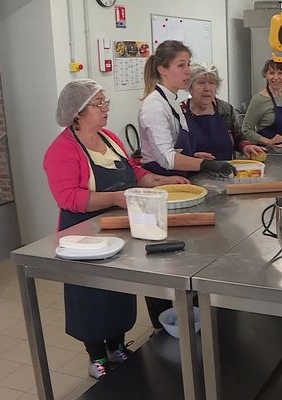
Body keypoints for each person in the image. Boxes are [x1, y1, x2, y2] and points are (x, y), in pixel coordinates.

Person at [43, 79, 189, 379]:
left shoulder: (109, 137)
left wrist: (164, 181)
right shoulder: (62, 150)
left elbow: (133, 173)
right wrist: (116, 198)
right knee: (92, 297)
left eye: (105, 102)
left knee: (119, 292)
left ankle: (118, 346)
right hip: (82, 236)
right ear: (78, 114)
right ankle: (96, 356)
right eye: (99, 104)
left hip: (120, 229)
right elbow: (68, 197)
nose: (106, 108)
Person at [138, 40, 235, 176]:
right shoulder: (154, 106)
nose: (188, 71)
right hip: (164, 181)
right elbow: (167, 158)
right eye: (181, 65)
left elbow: (176, 146)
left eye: (188, 64)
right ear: (162, 69)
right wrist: (205, 164)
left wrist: (193, 156)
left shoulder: (172, 102)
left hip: (181, 176)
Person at [180, 61, 265, 161]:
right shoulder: (180, 112)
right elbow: (171, 152)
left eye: (211, 83)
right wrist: (191, 157)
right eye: (201, 83)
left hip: (226, 172)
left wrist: (245, 146)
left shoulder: (225, 109)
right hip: (194, 174)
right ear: (190, 87)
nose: (207, 88)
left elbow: (238, 137)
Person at [241, 59, 282, 145]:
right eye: (271, 73)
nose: (275, 77)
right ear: (266, 75)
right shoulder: (259, 100)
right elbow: (246, 129)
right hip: (265, 151)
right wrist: (268, 141)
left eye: (280, 73)